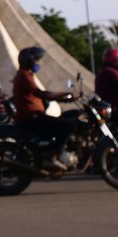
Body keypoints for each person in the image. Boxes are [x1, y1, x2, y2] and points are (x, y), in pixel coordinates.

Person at [12, 46, 76, 174]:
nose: (38, 63)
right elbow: (41, 93)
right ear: (30, 61)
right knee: (69, 125)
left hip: (33, 116)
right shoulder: (25, 75)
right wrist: (64, 94)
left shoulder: (26, 75)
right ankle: (51, 157)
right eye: (37, 60)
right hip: (31, 117)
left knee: (66, 118)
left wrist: (62, 98)